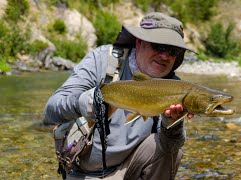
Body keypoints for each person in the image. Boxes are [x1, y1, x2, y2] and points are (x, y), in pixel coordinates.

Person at [44, 12, 195, 180]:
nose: (165, 56)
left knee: (170, 147)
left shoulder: (174, 86)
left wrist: (171, 124)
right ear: (139, 42)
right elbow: (51, 110)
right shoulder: (103, 60)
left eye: (173, 51)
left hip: (129, 169)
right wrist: (90, 102)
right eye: (158, 46)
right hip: (82, 173)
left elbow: (169, 149)